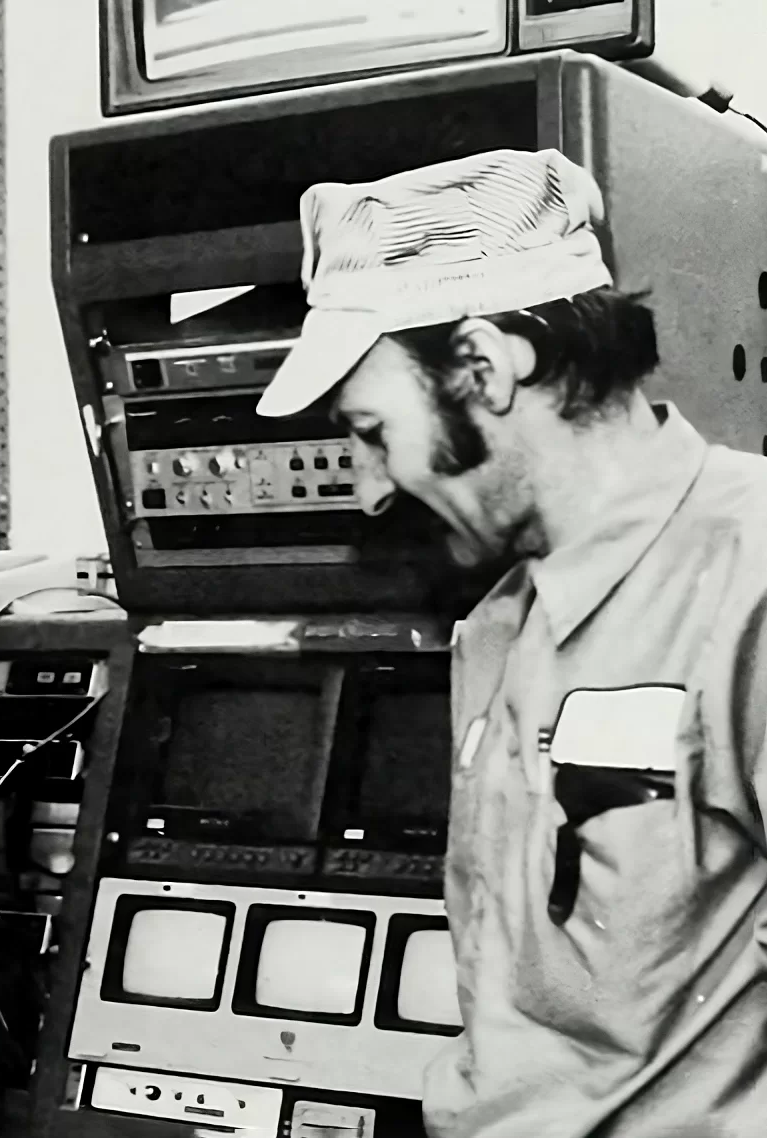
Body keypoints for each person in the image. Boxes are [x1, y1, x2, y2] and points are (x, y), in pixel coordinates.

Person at [256, 148, 767, 1138]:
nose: (366, 488)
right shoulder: (498, 620)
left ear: (484, 367)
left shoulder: (748, 574)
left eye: (371, 430)